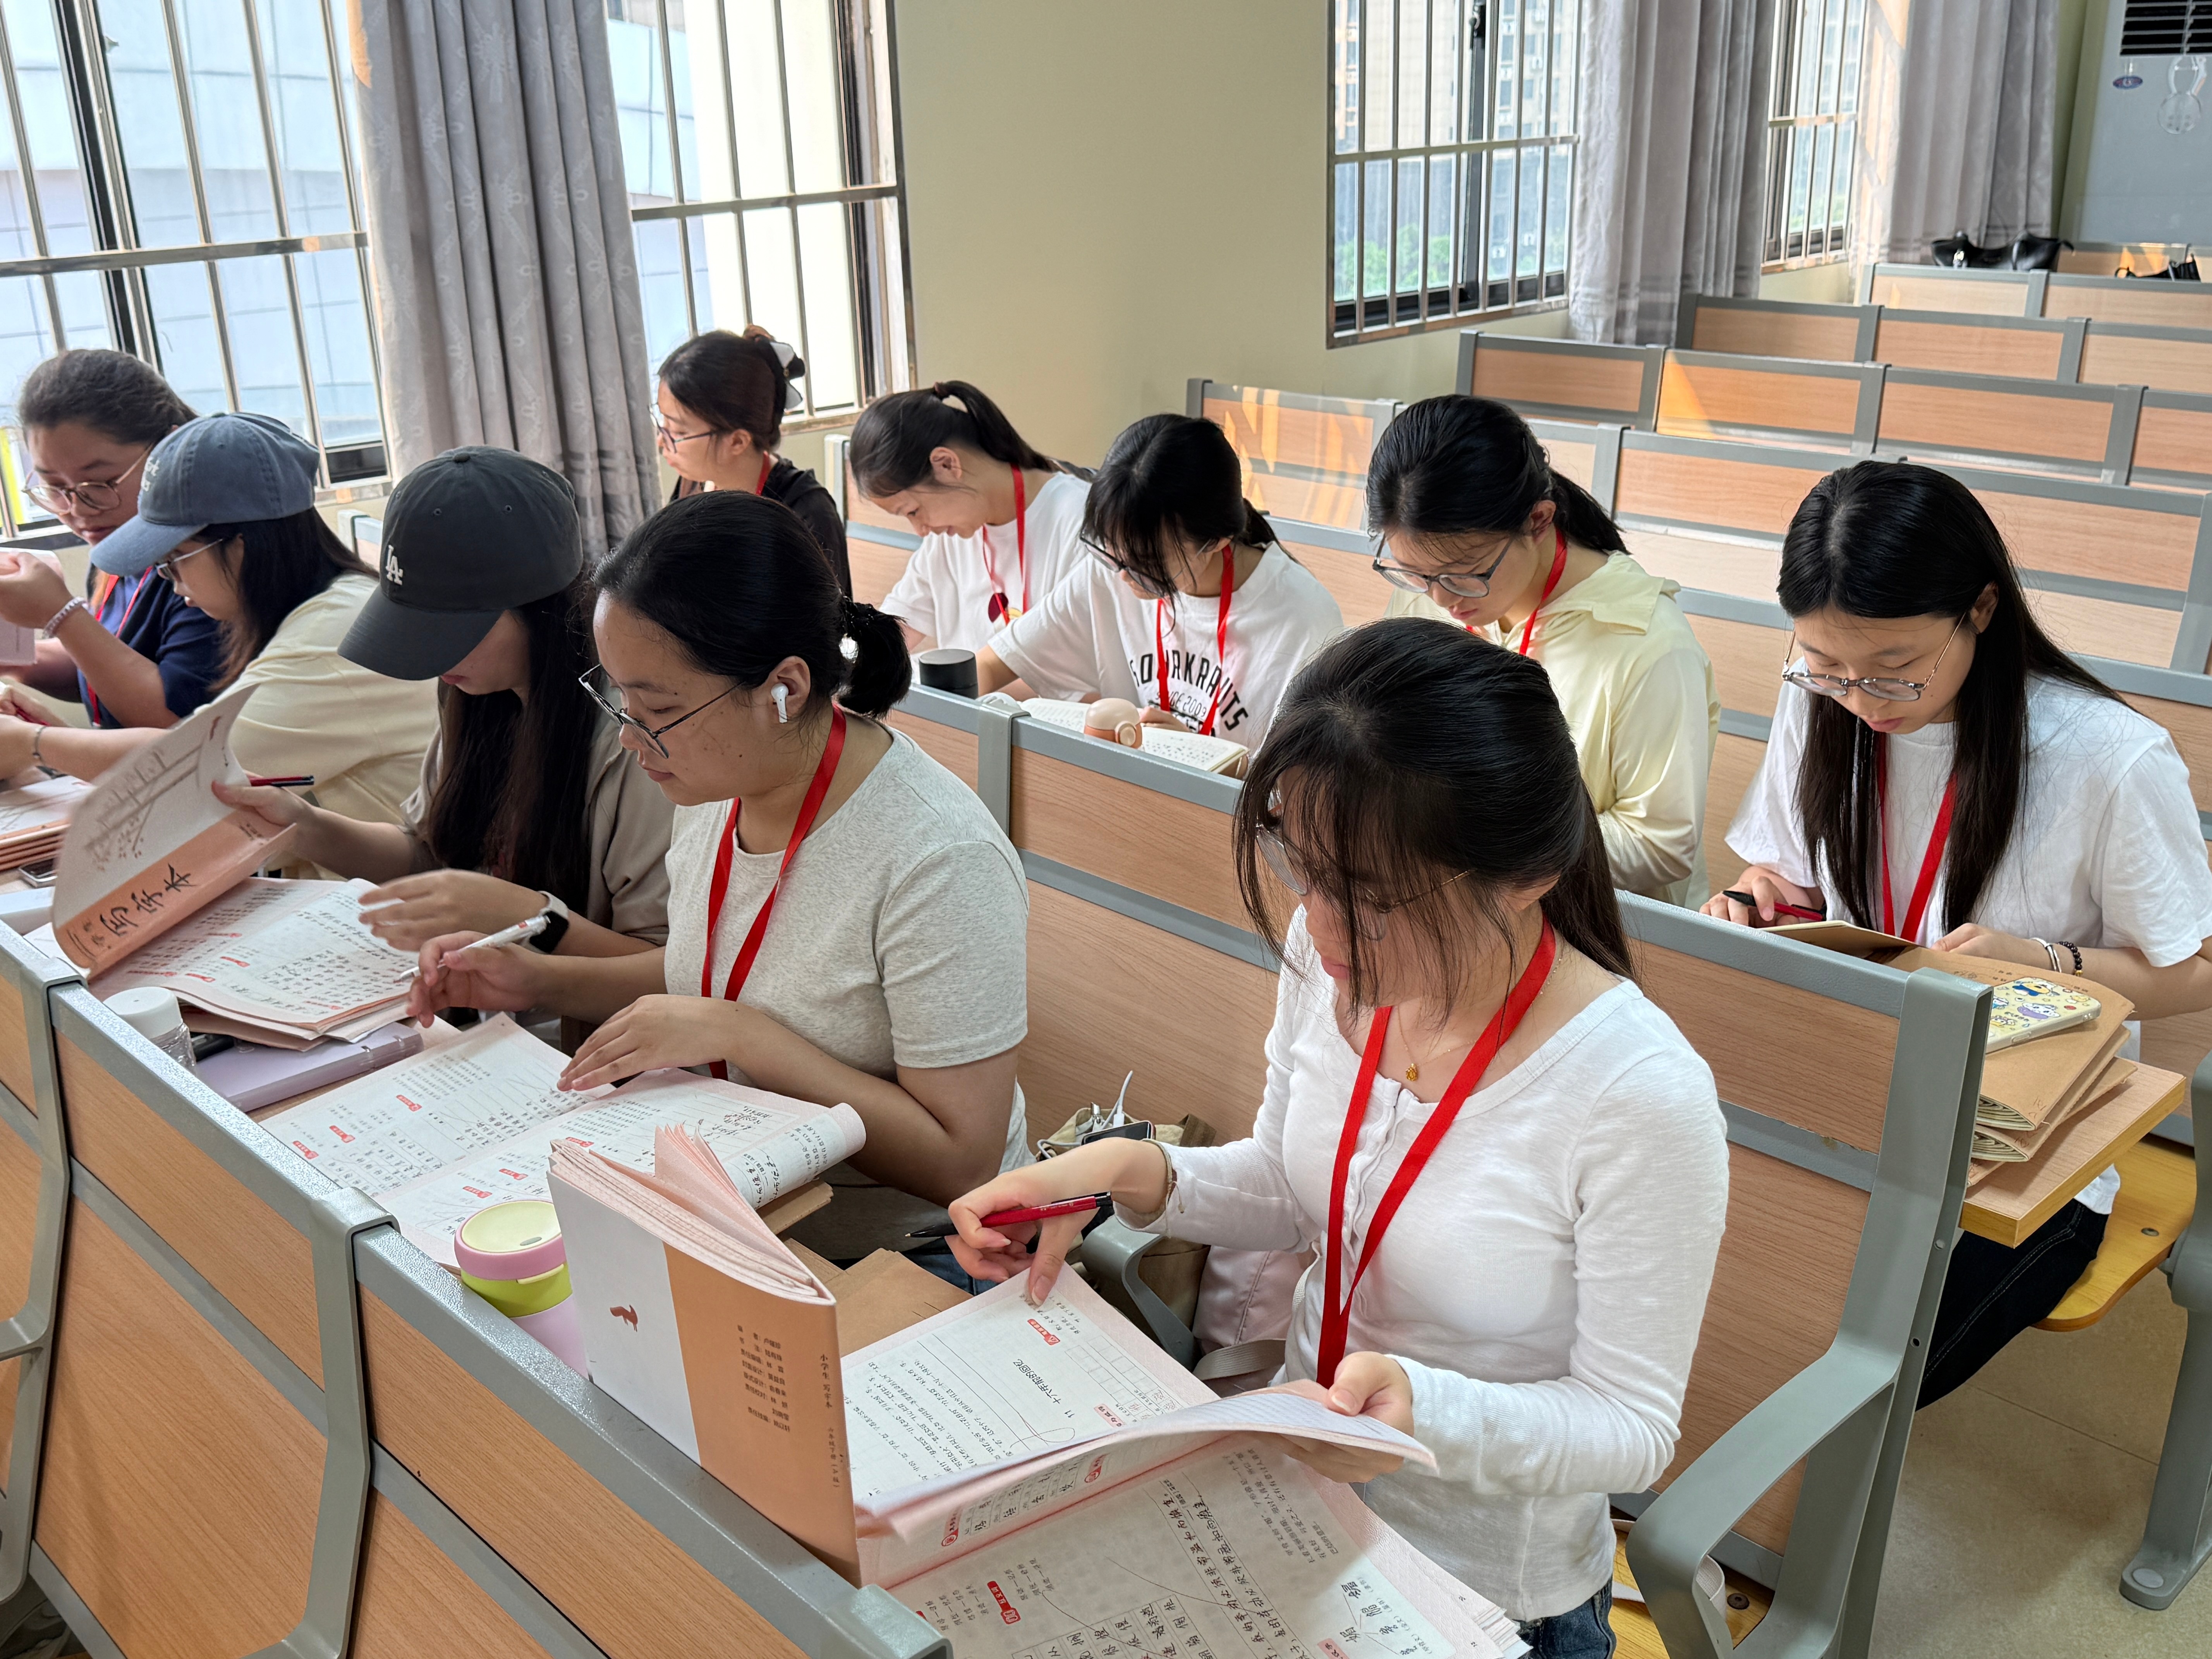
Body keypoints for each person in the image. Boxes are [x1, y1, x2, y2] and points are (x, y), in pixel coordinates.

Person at [945, 619, 1729, 1649]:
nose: (1316, 927)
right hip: (1294, 1512)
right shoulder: (1336, 959)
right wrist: (1124, 1171)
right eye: (1300, 868)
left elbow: (1631, 1429)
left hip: (1482, 1592)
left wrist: (1424, 1413)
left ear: (1526, 876)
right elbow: (1291, 1184)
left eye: (1369, 898)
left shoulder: (1635, 1093)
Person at [1705, 460, 2212, 1403]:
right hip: (1848, 1093)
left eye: (1896, 669)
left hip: (2027, 1145)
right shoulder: (1824, 697)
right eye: (1826, 666)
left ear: (1981, 608)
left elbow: (2197, 971)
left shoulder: (2108, 758)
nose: (1862, 700)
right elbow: (1787, 874)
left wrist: (2045, 963)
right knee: (1715, 1312)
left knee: (1847, 1388)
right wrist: (1754, 897)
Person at [403, 489, 1032, 1237]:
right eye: (619, 698)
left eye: (659, 710)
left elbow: (962, 1161)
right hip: (727, 1199)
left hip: (893, 1248)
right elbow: (714, 972)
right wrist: (537, 977)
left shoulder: (937, 858)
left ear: (783, 689)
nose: (630, 737)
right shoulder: (715, 780)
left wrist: (746, 1037)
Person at [212, 448, 673, 958]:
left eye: (448, 632)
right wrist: (304, 826)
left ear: (539, 607)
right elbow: (430, 856)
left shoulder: (634, 738)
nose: (435, 660)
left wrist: (524, 918)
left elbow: (667, 964)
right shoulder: (478, 695)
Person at [0, 412, 438, 831]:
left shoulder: (336, 637)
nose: (171, 582)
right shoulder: (296, 612)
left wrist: (34, 743)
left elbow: (186, 768)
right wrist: (45, 736)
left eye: (175, 559)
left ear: (242, 546)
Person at [1371, 395, 1719, 906]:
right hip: (1444, 902)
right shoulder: (1427, 592)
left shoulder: (1648, 645)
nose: (1441, 599)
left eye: (1466, 574)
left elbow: (1661, 847)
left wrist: (1486, 838)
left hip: (1584, 923)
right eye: (1416, 574)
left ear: (1538, 521)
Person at [974, 413, 1345, 747]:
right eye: (1111, 551)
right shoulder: (1111, 572)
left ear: (1217, 541)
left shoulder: (1303, 621)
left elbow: (1291, 791)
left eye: (1147, 563)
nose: (1124, 575)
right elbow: (992, 665)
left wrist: (1199, 756)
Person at [0, 349, 222, 726]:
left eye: (99, 483)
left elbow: (176, 725)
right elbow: (106, 658)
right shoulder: (116, 539)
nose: (78, 509)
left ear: (166, 451)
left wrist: (60, 615)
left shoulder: (209, 556)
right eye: (55, 488)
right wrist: (13, 656)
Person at [848, 380, 1090, 652]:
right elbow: (897, 629)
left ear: (947, 465)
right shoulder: (949, 536)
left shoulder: (1079, 522)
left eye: (913, 511)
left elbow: (1080, 666)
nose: (921, 530)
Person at [655, 326, 851, 598]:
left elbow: (827, 621)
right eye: (662, 423)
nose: (661, 441)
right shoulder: (693, 484)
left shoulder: (806, 514)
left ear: (738, 441)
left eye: (677, 431)